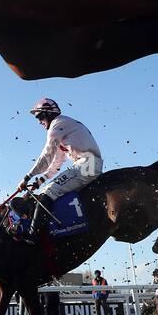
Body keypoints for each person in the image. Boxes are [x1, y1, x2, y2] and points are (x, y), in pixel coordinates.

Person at [18, 98, 103, 243]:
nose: (39, 121)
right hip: (87, 164)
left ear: (49, 113)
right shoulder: (64, 129)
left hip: (86, 164)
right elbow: (56, 163)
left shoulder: (57, 126)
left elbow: (46, 156)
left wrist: (27, 177)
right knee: (46, 188)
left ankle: (34, 235)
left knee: (48, 192)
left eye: (39, 116)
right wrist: (39, 181)